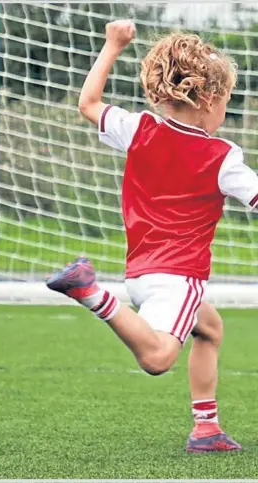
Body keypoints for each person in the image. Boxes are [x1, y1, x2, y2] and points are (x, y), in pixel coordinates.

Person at [47, 20, 258, 452]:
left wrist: (112, 44)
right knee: (159, 358)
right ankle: (91, 292)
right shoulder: (223, 157)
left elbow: (88, 103)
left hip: (141, 273)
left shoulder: (139, 127)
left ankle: (206, 429)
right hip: (178, 276)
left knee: (210, 328)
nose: (226, 112)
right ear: (209, 99)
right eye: (228, 102)